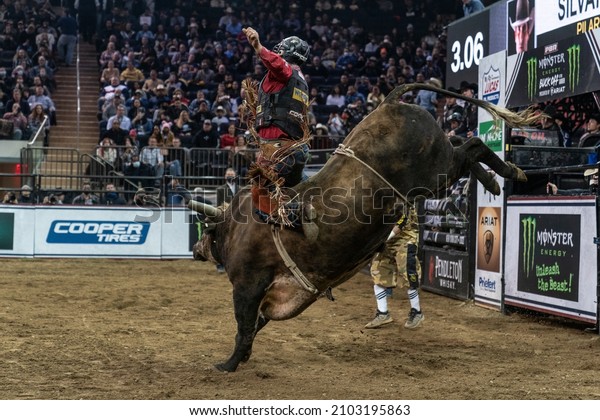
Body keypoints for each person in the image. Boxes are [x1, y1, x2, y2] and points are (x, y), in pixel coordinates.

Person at [365, 208, 424, 329]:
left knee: (409, 274)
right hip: (388, 241)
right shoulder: (382, 200)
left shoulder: (404, 200)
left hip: (405, 240)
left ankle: (417, 311)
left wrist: (382, 239)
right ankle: (383, 313)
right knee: (378, 271)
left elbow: (401, 222)